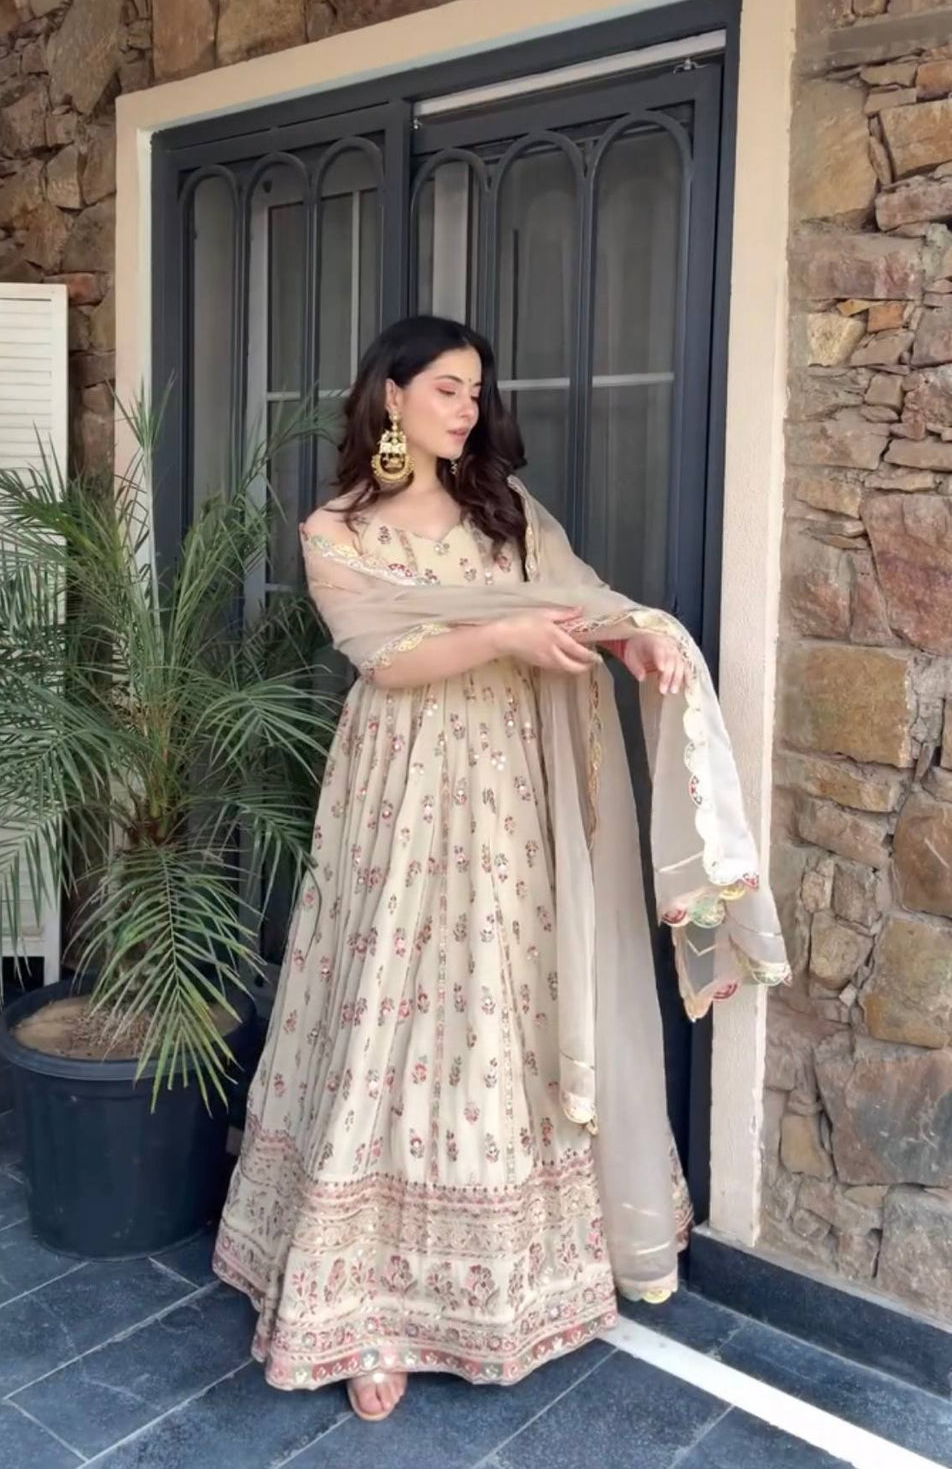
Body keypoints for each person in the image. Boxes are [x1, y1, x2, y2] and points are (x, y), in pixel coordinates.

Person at [213, 316, 789, 1421]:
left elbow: (580, 602)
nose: (467, 407)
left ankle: (514, 1280)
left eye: (476, 390)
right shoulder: (339, 532)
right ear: (390, 396)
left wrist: (635, 640)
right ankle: (364, 1309)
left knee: (498, 1007)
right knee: (388, 1012)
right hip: (400, 797)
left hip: (511, 801)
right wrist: (503, 637)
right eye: (446, 387)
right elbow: (384, 658)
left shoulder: (505, 512)